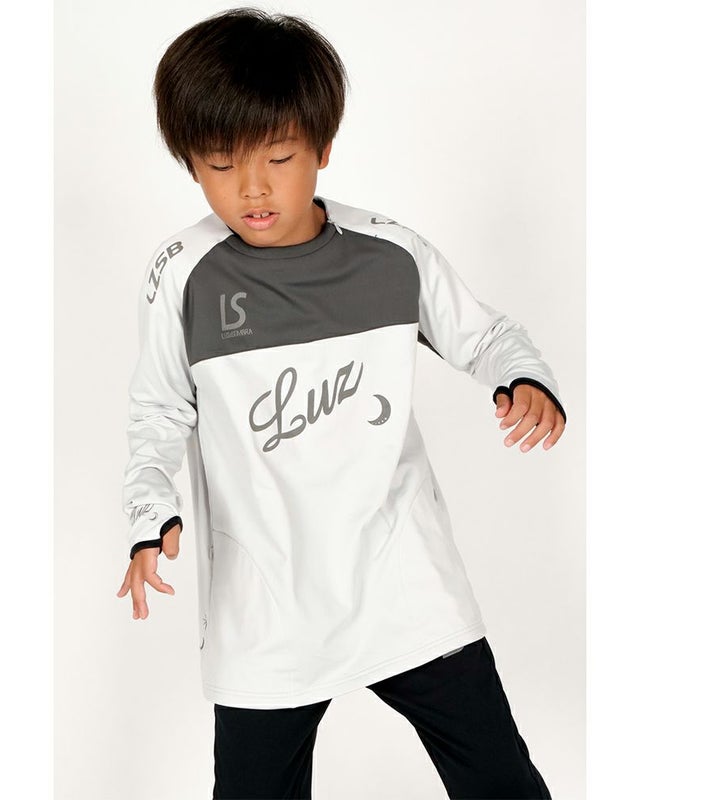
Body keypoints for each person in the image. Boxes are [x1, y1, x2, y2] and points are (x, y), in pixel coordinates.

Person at [116, 7, 566, 799]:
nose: (252, 188)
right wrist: (151, 514)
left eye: (278, 157)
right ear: (190, 164)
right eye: (221, 164)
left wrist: (523, 379)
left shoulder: (391, 254)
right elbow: (157, 412)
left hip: (404, 581)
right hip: (269, 607)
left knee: (501, 781)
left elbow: (489, 335)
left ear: (323, 148)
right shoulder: (184, 275)